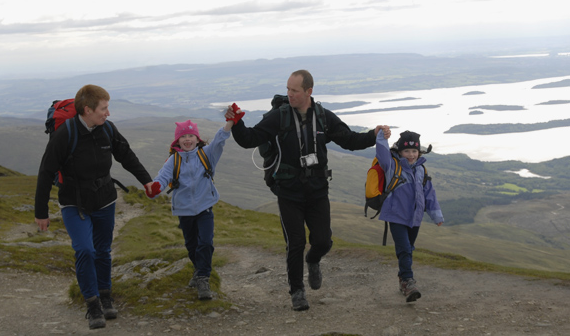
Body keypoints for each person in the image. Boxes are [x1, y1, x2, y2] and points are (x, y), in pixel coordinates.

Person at [225, 69, 390, 311]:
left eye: (295, 91)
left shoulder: (323, 117)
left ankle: (313, 261)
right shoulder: (279, 116)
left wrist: (373, 135)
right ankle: (297, 292)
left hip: (317, 190)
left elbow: (350, 140)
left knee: (323, 242)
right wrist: (237, 123)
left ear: (308, 92)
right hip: (288, 191)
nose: (289, 94)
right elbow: (249, 139)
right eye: (288, 89)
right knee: (295, 243)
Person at [34, 84, 155, 329]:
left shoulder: (107, 129)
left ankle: (106, 295)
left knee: (102, 251)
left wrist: (147, 181)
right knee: (85, 251)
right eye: (104, 108)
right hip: (73, 203)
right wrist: (41, 212)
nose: (108, 113)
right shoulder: (65, 134)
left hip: (105, 200)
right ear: (87, 110)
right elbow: (46, 172)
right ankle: (92, 304)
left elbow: (126, 155)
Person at [147, 118, 234, 300]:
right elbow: (162, 178)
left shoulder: (206, 154)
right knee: (192, 245)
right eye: (183, 136)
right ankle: (198, 269)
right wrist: (155, 189)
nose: (187, 139)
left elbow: (219, 141)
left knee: (206, 242)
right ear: (177, 141)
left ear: (197, 138)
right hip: (184, 210)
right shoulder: (173, 160)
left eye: (191, 136)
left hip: (204, 207)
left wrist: (229, 124)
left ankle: (203, 278)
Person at [375, 129, 444, 302]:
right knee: (405, 249)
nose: (411, 155)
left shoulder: (421, 169)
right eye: (407, 151)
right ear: (399, 152)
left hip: (415, 218)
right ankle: (408, 282)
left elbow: (429, 194)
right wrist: (382, 137)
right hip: (396, 216)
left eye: (414, 151)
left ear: (419, 152)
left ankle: (402, 279)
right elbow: (382, 154)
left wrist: (436, 216)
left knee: (409, 249)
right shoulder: (392, 166)